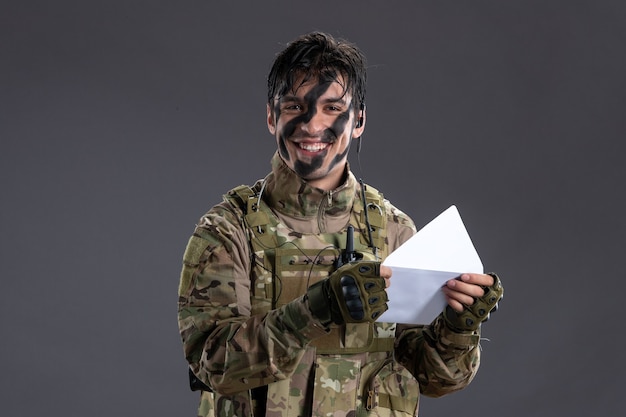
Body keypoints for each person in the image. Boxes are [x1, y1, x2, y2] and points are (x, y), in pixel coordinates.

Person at [177, 31, 503, 417]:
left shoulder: (395, 231)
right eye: (295, 106)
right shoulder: (229, 230)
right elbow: (213, 364)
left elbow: (435, 379)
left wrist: (457, 327)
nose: (312, 126)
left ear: (359, 119)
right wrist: (317, 310)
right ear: (271, 116)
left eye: (332, 108)